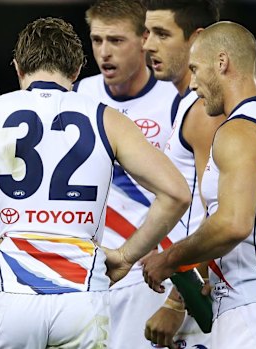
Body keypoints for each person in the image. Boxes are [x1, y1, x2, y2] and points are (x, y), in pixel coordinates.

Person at [0, 17, 191, 348]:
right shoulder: (106, 118)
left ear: (18, 66)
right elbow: (176, 193)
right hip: (81, 294)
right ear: (77, 69)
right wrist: (126, 255)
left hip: (13, 292)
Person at [142, 21, 256, 349]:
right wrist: (208, 266)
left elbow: (233, 223)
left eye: (195, 69)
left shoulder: (238, 131)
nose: (193, 84)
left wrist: (169, 259)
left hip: (253, 315)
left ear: (222, 63)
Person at [73, 1, 180, 347]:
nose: (104, 53)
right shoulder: (78, 96)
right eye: (97, 40)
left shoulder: (175, 100)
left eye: (116, 41)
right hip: (92, 268)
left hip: (152, 268)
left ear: (145, 39)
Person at [142, 1, 222, 347]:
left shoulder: (205, 112)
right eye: (146, 33)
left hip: (202, 296)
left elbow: (221, 211)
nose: (147, 45)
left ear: (197, 39)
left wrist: (178, 302)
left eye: (162, 34)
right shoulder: (188, 105)